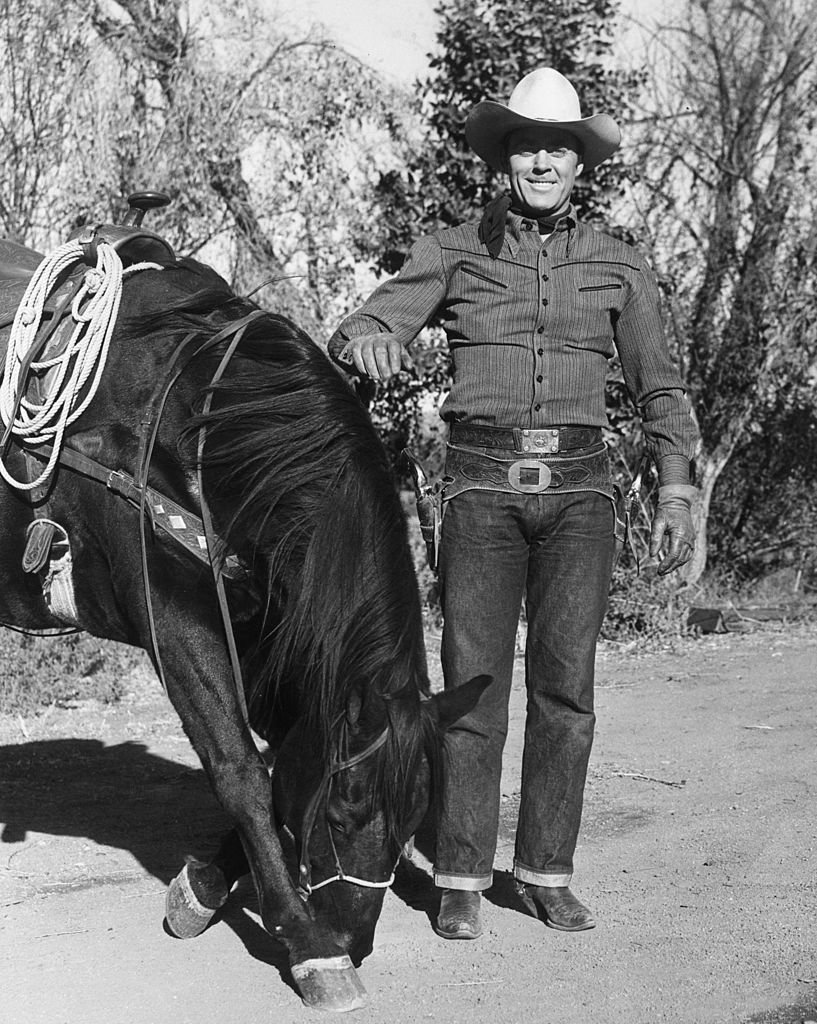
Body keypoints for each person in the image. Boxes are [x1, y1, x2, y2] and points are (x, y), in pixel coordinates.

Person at [328, 68, 699, 940]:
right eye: (528, 144)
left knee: (566, 689)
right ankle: (458, 873)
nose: (543, 160)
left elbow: (659, 384)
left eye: (559, 147)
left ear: (579, 163)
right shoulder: (452, 247)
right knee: (474, 688)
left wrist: (677, 485)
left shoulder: (619, 259)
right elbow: (361, 327)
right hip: (479, 489)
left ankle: (543, 872)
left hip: (581, 493)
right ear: (504, 157)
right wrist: (374, 339)